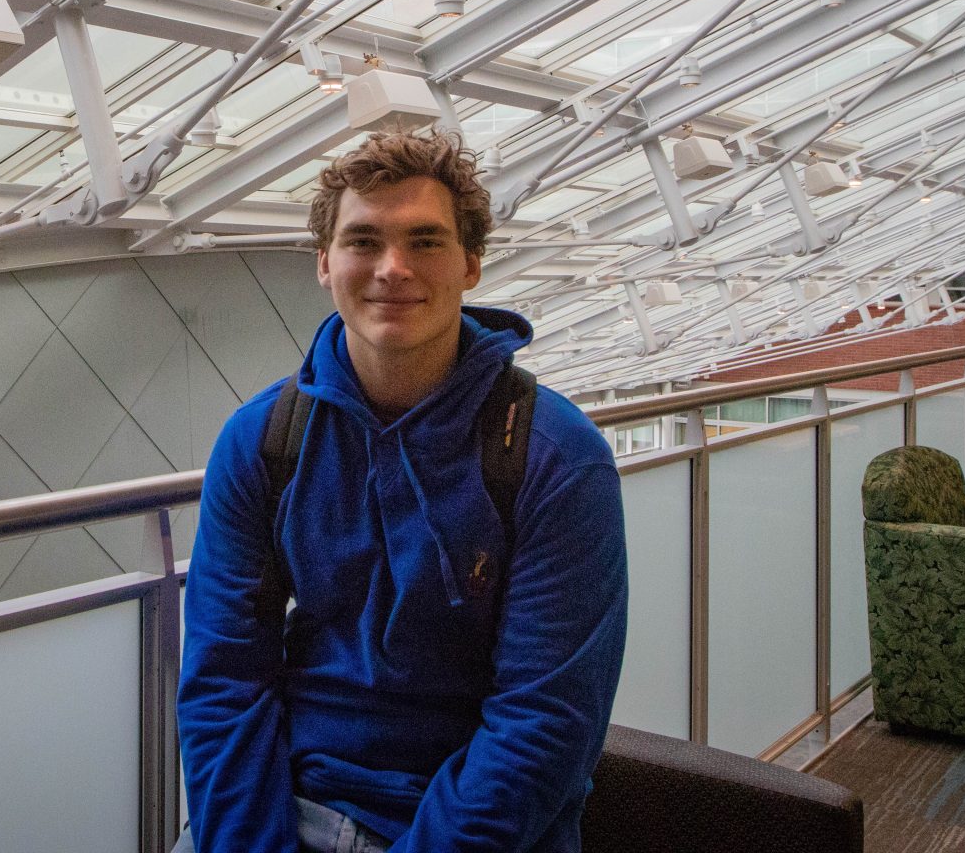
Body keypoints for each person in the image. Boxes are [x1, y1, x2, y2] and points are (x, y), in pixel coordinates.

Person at [176, 130, 628, 853]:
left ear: (471, 264)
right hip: (292, 811)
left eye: (424, 242)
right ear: (325, 263)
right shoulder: (264, 442)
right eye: (364, 241)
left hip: (471, 831)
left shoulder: (555, 459)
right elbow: (225, 678)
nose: (392, 269)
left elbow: (545, 721)